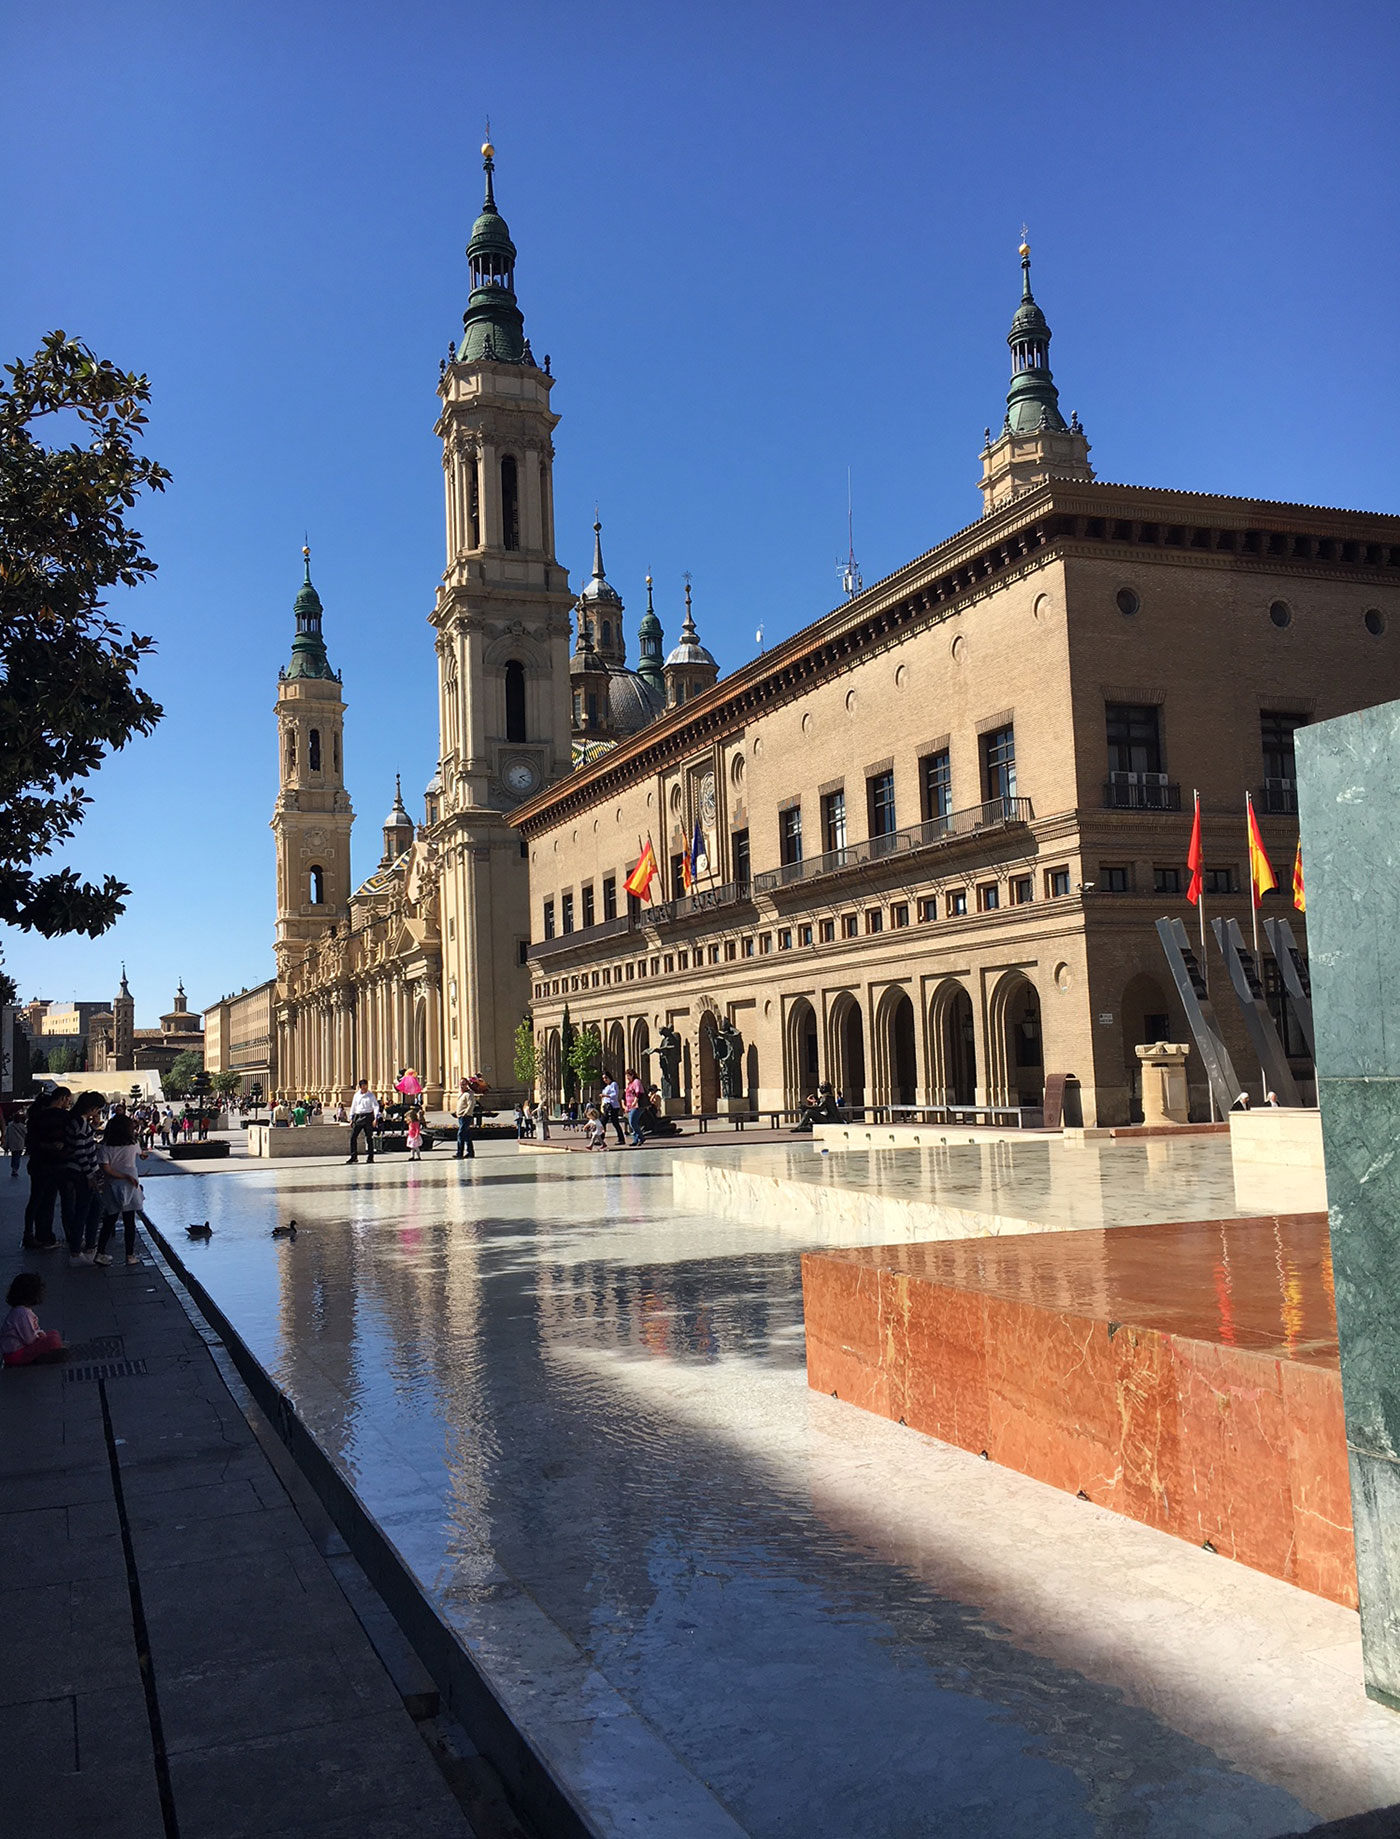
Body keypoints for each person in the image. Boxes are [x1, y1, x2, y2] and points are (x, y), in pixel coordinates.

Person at [96, 1113, 147, 1266]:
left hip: (112, 1186)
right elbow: (139, 1153)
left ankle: (100, 1252)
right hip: (131, 1186)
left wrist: (120, 1175)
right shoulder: (133, 1144)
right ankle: (130, 1255)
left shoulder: (104, 1148)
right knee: (129, 1222)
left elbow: (106, 1169)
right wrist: (128, 1175)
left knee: (109, 1220)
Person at [62, 1092, 106, 1264]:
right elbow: (81, 1151)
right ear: (92, 1108)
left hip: (79, 1170)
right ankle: (79, 1251)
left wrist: (93, 1128)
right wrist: (90, 1175)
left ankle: (89, 1247)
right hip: (82, 1172)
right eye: (98, 1109)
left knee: (93, 1207)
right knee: (86, 1209)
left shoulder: (78, 1121)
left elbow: (82, 1141)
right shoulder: (80, 1123)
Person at [23, 1089, 69, 1250]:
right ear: (62, 1099)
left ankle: (31, 1234)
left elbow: (30, 1143)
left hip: (37, 1163)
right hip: (54, 1163)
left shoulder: (36, 1117)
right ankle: (46, 1236)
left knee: (35, 1200)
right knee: (49, 1200)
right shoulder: (62, 1117)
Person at [1, 1273, 65, 1367]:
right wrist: (41, 1338)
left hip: (16, 1352)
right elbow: (29, 1339)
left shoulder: (22, 1311)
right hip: (16, 1355)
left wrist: (41, 1335)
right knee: (53, 1340)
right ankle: (38, 1358)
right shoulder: (21, 1313)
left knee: (53, 1334)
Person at [347, 1080, 380, 1163]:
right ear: (360, 1086)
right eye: (363, 1086)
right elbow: (353, 1106)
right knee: (353, 1137)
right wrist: (351, 1118)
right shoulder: (356, 1095)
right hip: (358, 1116)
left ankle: (370, 1157)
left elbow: (375, 1106)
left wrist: (376, 1118)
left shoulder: (371, 1095)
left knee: (369, 1137)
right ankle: (353, 1156)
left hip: (368, 1116)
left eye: (366, 1086)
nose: (365, 1088)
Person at [454, 1080, 477, 1161]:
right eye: (460, 1084)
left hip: (465, 1117)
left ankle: (459, 1153)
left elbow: (471, 1104)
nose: (461, 1085)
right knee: (467, 1135)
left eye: (463, 1084)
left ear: (467, 1085)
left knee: (460, 1134)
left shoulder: (469, 1094)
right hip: (460, 1116)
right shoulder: (461, 1093)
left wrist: (466, 1113)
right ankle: (470, 1152)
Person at [600, 1074, 626, 1147]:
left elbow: (615, 1095)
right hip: (607, 1106)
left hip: (612, 1106)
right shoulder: (606, 1087)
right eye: (603, 1078)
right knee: (603, 1122)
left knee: (614, 1122)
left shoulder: (613, 1084)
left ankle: (621, 1139)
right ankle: (601, 1138)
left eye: (606, 1078)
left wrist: (605, 1096)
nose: (605, 1080)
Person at [624, 1068, 645, 1146]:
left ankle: (641, 1137)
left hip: (637, 1106)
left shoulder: (636, 1082)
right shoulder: (630, 1084)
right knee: (633, 1123)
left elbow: (638, 1093)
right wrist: (627, 1106)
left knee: (632, 1122)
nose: (627, 1078)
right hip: (631, 1106)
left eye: (628, 1076)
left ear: (632, 1075)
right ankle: (636, 1140)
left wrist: (635, 1102)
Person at [6, 1108, 26, 1177]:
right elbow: (26, 1134)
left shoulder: (10, 1126)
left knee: (14, 1156)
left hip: (12, 1143)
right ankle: (15, 1169)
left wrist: (6, 1144)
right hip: (20, 1143)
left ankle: (13, 1168)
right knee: (18, 1156)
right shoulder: (22, 1126)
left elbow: (7, 1135)